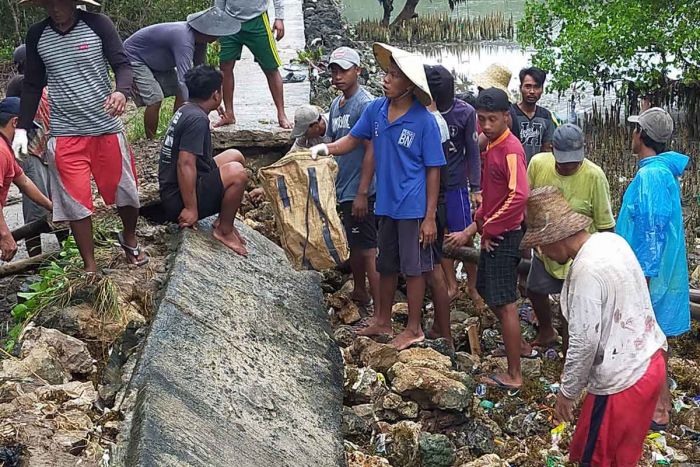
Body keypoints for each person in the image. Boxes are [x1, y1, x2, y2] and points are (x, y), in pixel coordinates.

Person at [310, 43, 449, 350]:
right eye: (387, 73)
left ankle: (414, 328)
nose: (386, 79)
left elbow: (433, 171)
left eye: (394, 76)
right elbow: (353, 139)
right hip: (385, 202)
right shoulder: (376, 110)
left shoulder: (423, 121)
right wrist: (325, 148)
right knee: (386, 264)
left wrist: (429, 218)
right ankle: (382, 319)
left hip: (412, 206)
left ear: (409, 86)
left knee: (413, 269)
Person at [521, 186, 667, 467]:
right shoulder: (611, 242)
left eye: (541, 244)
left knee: (598, 459)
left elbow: (584, 342)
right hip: (651, 361)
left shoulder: (585, 271)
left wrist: (567, 394)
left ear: (556, 238)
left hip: (623, 379)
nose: (542, 253)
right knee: (618, 453)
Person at [15, 0, 146, 273]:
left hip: (105, 127)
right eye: (48, 3)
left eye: (60, 2)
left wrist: (121, 91)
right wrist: (21, 128)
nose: (55, 8)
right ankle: (90, 267)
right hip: (65, 134)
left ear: (75, 3)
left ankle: (129, 237)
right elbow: (32, 85)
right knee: (75, 204)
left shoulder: (98, 24)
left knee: (126, 193)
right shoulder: (38, 34)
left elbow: (122, 64)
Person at [445, 87, 529, 389]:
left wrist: (489, 228)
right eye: (481, 120)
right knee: (484, 288)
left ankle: (515, 374)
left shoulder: (510, 149)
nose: (487, 126)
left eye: (492, 119)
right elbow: (491, 197)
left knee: (504, 301)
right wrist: (475, 227)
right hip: (493, 231)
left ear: (507, 116)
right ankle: (516, 344)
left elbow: (518, 196)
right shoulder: (492, 145)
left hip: (505, 235)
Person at [617, 107, 690, 431]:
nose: (632, 134)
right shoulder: (659, 171)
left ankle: (659, 410)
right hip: (658, 271)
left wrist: (642, 279)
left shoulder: (651, 176)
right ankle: (659, 401)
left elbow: (651, 231)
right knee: (653, 337)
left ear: (642, 136)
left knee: (650, 338)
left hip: (651, 275)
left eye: (636, 130)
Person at [526, 124, 615, 349]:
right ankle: (547, 331)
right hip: (547, 248)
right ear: (551, 149)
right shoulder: (538, 164)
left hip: (579, 255)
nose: (569, 166)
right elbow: (527, 204)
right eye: (563, 161)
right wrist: (535, 239)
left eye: (574, 161)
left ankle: (570, 353)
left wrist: (604, 263)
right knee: (534, 289)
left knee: (572, 311)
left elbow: (605, 225)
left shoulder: (594, 176)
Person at [159, 65, 249, 257]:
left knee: (235, 155)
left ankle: (222, 218)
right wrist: (191, 208)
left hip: (180, 184)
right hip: (178, 199)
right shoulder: (197, 120)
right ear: (216, 95)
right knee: (238, 174)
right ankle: (224, 230)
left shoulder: (187, 109)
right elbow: (185, 164)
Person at [124, 6, 241, 139]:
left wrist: (214, 100)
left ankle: (176, 130)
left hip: (156, 62)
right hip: (134, 58)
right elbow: (184, 78)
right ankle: (151, 139)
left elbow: (200, 73)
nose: (218, 37)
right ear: (206, 32)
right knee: (155, 99)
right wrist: (198, 110)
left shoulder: (200, 41)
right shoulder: (184, 38)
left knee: (180, 91)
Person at [325, 47, 380, 311]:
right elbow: (333, 143)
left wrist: (362, 191)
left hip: (361, 188)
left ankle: (380, 309)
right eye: (334, 71)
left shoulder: (365, 104)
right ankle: (360, 290)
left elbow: (372, 148)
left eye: (344, 70)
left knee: (368, 247)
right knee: (356, 243)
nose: (338, 76)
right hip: (344, 186)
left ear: (358, 70)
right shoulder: (336, 104)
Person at [425, 64, 482, 306]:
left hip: (456, 183)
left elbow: (473, 153)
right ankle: (451, 283)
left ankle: (472, 284)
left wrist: (476, 187)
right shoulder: (423, 112)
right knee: (441, 233)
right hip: (430, 183)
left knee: (463, 235)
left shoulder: (465, 112)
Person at [6, 44, 69, 257]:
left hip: (48, 147)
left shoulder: (45, 82)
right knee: (35, 204)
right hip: (30, 150)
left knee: (57, 199)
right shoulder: (19, 83)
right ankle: (35, 259)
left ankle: (66, 249)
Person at [215, 0, 291, 129]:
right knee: (225, 67)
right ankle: (229, 113)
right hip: (229, 21)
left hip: (257, 20)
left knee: (270, 67)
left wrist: (279, 18)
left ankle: (281, 114)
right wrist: (218, 20)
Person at [0, 97, 54, 262]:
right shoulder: (1, 152)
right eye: (26, 128)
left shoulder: (6, 148)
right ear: (15, 122)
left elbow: (24, 181)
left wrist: (52, 207)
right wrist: (5, 234)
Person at [511, 67, 558, 163]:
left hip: (537, 171)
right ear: (520, 88)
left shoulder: (545, 116)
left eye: (536, 87)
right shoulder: (510, 113)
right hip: (514, 168)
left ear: (542, 90)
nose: (532, 91)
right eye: (528, 86)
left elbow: (547, 149)